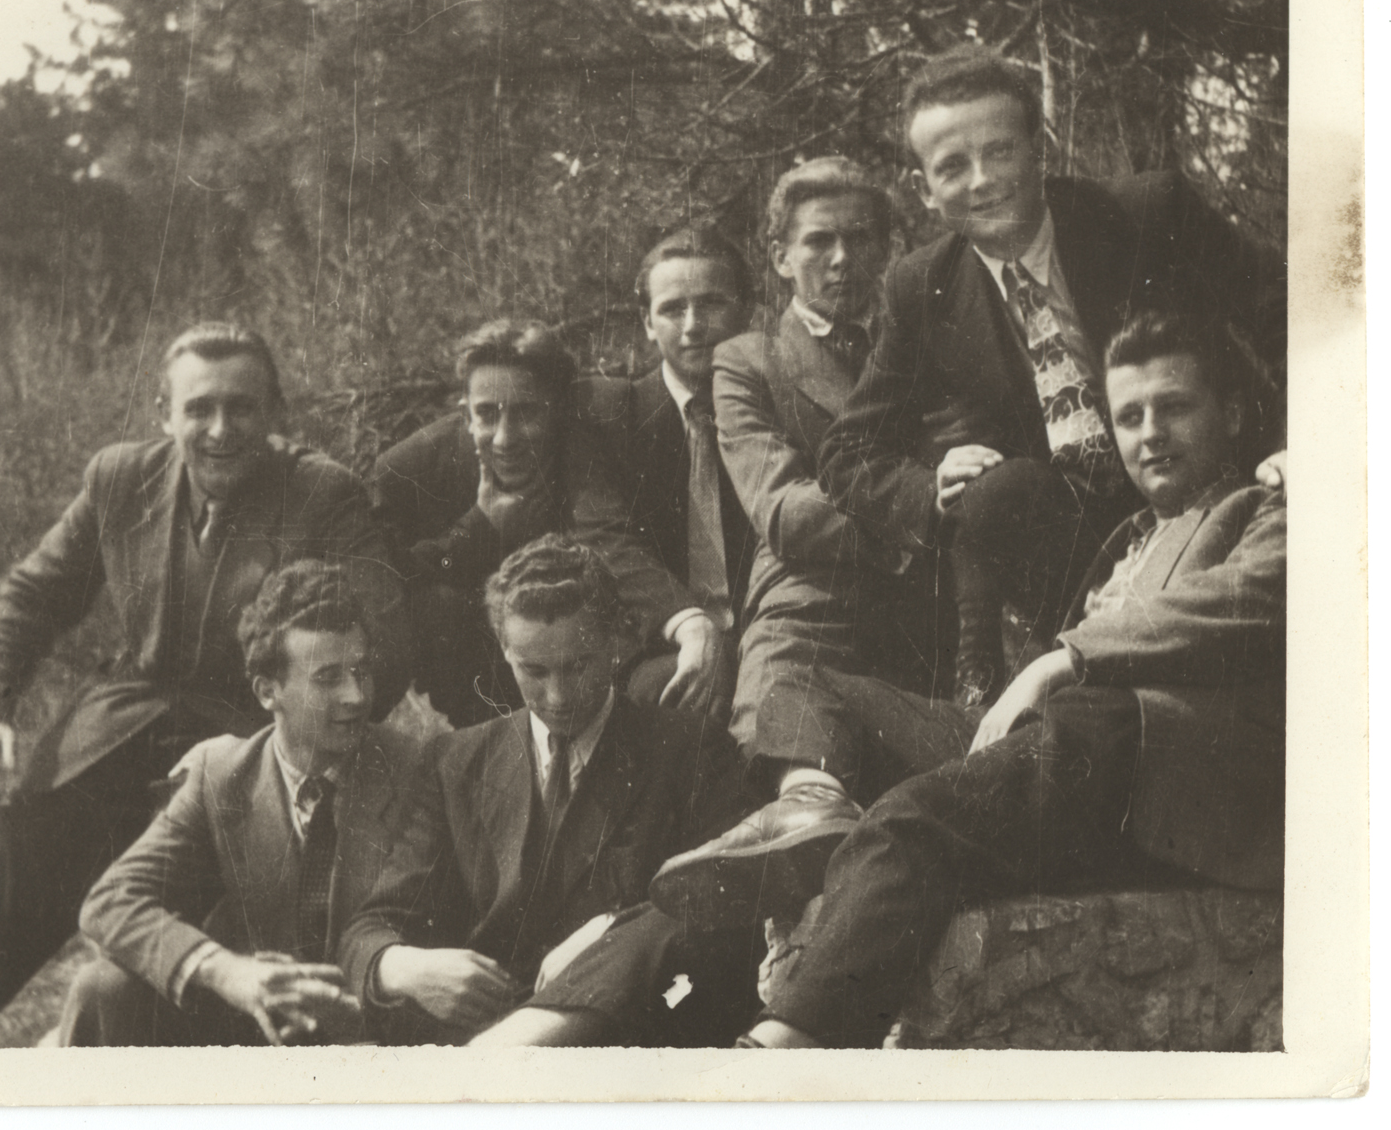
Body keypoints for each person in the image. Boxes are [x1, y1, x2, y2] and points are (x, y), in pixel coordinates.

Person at [739, 308, 1285, 1047]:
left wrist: (1067, 658)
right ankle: (814, 806)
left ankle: (789, 1047)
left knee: (912, 819)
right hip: (1057, 751)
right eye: (1130, 416)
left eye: (1175, 407)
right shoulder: (1126, 535)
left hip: (1146, 763)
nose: (1151, 432)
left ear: (1234, 413)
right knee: (810, 683)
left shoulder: (1267, 507)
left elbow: (1246, 599)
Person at [818, 43, 1287, 707]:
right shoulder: (923, 287)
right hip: (1082, 547)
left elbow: (1297, 314)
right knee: (991, 493)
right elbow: (846, 452)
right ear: (924, 190)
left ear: (1040, 150)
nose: (981, 181)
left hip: (1226, 492)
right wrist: (931, 487)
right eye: (952, 166)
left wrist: (1296, 446)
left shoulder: (1147, 213)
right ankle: (1010, 692)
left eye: (999, 151)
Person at [0, 323, 408, 1018]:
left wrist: (275, 742)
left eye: (241, 407)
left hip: (245, 750)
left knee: (148, 960)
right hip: (116, 734)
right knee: (5, 876)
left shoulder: (322, 493)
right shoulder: (121, 478)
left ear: (275, 412)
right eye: (198, 408)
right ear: (165, 413)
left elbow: (386, 645)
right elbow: (33, 594)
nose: (219, 429)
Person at [648, 159, 975, 928]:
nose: (841, 259)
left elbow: (972, 455)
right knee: (782, 715)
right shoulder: (748, 360)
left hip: (940, 604)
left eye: (861, 239)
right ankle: (800, 818)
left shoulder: (930, 340)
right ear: (780, 256)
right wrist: (923, 504)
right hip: (815, 597)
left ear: (888, 248)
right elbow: (786, 511)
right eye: (819, 241)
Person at [338, 535, 756, 1046]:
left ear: (615, 643)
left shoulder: (689, 751)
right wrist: (406, 968)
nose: (557, 696)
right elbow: (369, 929)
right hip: (477, 1041)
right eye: (533, 671)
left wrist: (612, 930)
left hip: (624, 1039)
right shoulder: (455, 761)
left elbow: (724, 905)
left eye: (578, 666)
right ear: (504, 651)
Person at [58, 561, 423, 1046]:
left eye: (361, 671)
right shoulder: (222, 775)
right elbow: (110, 901)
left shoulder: (418, 770)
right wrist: (226, 971)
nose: (356, 696)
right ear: (268, 692)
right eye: (328, 678)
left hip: (378, 1031)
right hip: (254, 1026)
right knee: (102, 988)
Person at [372, 320, 723, 727]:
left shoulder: (591, 432)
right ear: (465, 413)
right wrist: (480, 525)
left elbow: (608, 536)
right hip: (487, 691)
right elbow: (392, 581)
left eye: (525, 413)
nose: (504, 439)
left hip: (602, 665)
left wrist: (684, 621)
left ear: (557, 410)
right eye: (487, 414)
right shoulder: (409, 469)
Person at [576, 224, 759, 716]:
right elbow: (605, 538)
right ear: (647, 323)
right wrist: (687, 621)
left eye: (712, 304)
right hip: (661, 638)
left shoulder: (775, 408)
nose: (693, 325)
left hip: (766, 634)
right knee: (666, 699)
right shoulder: (611, 415)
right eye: (673, 309)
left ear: (746, 311)